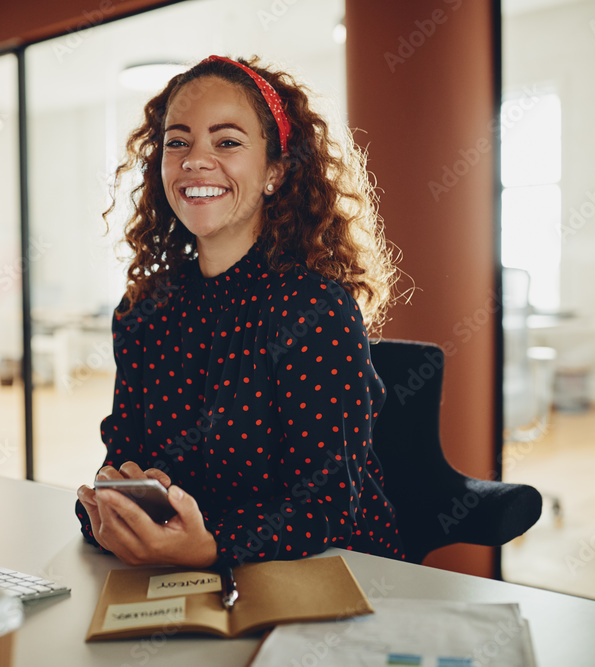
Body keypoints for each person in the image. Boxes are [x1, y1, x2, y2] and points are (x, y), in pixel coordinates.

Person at [75, 55, 405, 569]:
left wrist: (210, 546)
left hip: (332, 575)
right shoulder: (144, 309)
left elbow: (328, 508)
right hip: (182, 576)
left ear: (275, 171)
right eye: (177, 142)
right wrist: (108, 506)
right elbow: (121, 460)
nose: (195, 160)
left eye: (226, 142)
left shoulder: (313, 309)